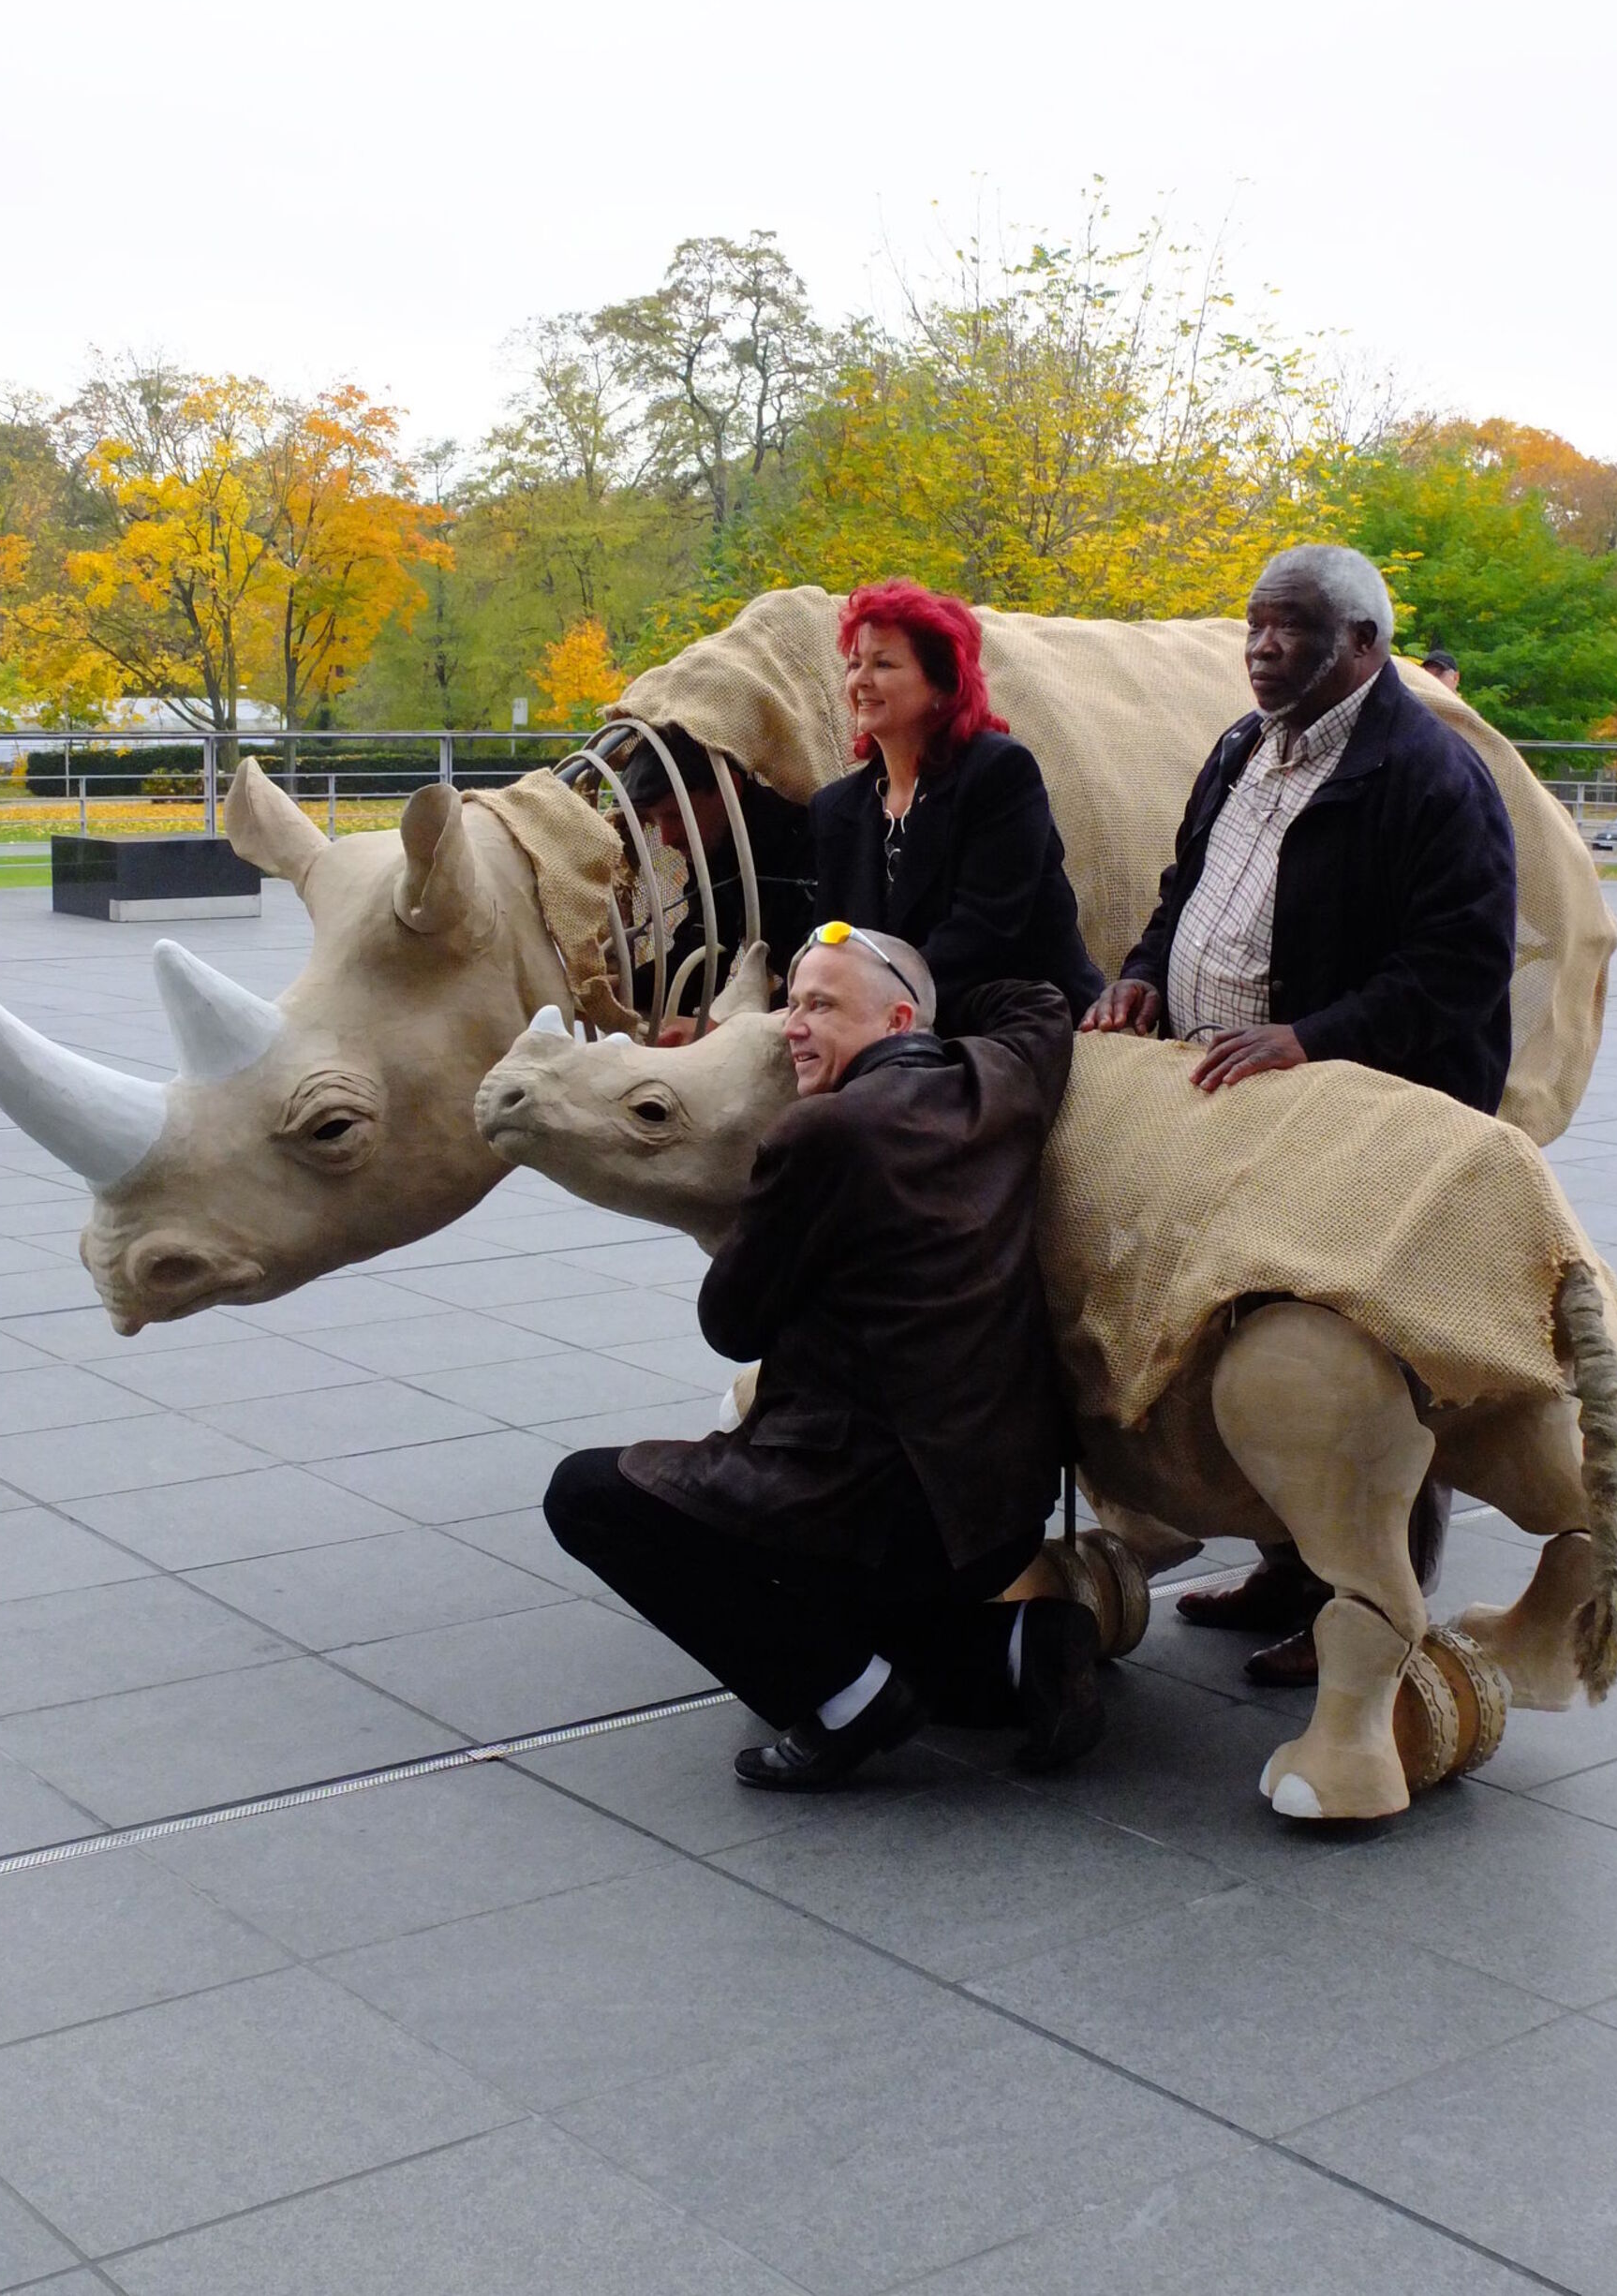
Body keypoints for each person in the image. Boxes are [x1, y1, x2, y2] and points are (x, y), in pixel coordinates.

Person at [1082, 542, 1517, 1681]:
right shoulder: (1241, 747)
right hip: (1245, 1111)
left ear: (1362, 646)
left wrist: (1310, 1036)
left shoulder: (1429, 774)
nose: (1260, 649)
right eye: (1253, 627)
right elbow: (1187, 893)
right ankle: (1289, 1564)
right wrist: (1139, 971)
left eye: (1290, 630)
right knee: (1251, 1330)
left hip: (1359, 1118)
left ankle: (1368, 1606)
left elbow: (1459, 966)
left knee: (1354, 1352)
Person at [542, 926, 1101, 1790]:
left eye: (822, 1005)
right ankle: (1026, 1647)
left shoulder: (821, 1133)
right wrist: (894, 977)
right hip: (997, 1514)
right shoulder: (1005, 1079)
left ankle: (849, 1702)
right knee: (822, 1611)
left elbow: (730, 1323)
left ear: (898, 1019)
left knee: (587, 1494)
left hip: (876, 1506)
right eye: (791, 1001)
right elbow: (1038, 1000)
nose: (789, 1026)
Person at [810, 581, 1104, 1029]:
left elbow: (982, 935)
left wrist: (871, 1009)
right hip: (897, 1029)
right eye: (854, 664)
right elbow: (834, 944)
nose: (860, 681)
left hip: (1019, 1024)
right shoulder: (837, 808)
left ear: (942, 685)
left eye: (883, 663)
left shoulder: (999, 773)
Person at [617, 728, 816, 1041]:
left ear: (730, 789)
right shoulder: (715, 844)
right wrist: (623, 989)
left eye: (676, 815)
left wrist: (724, 1029)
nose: (666, 837)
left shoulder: (807, 841)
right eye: (655, 821)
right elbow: (704, 948)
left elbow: (823, 976)